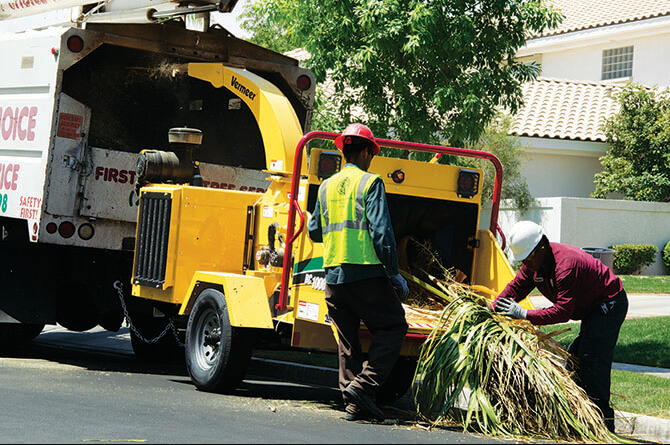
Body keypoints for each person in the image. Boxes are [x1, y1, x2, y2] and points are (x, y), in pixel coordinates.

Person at [307, 123, 409, 422]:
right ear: (365, 151)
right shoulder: (370, 183)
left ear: (343, 150)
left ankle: (353, 403)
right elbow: (381, 233)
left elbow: (314, 231)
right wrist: (394, 274)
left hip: (334, 277)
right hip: (365, 275)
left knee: (348, 341)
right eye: (372, 153)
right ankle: (364, 387)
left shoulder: (326, 185)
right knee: (393, 327)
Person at [491, 220, 628, 432]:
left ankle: (602, 425)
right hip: (592, 307)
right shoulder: (534, 265)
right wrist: (491, 309)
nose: (524, 264)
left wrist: (524, 314)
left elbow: (563, 312)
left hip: (609, 303)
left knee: (592, 360)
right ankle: (581, 418)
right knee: (576, 359)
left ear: (540, 248)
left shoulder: (565, 265)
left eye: (527, 258)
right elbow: (516, 288)